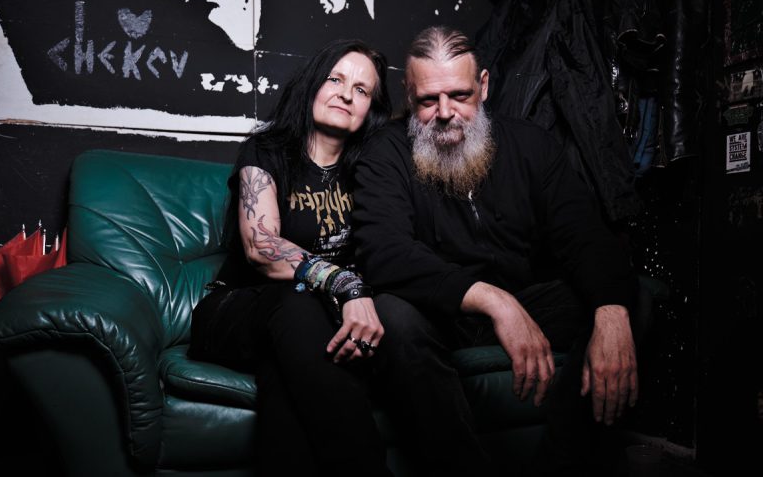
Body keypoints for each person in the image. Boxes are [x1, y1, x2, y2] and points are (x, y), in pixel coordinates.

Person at [353, 25, 641, 476]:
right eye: (428, 100)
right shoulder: (385, 152)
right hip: (441, 316)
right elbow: (384, 252)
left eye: (460, 95)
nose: (445, 113)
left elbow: (587, 236)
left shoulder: (532, 145)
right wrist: (492, 300)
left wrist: (611, 310)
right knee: (392, 315)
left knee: (624, 299)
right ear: (409, 94)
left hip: (528, 303)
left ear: (483, 86)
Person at [189, 39, 393, 477]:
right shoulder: (267, 151)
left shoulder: (372, 170)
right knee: (297, 301)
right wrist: (345, 283)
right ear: (312, 84)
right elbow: (261, 245)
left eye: (361, 90)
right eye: (335, 79)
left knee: (287, 374)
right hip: (235, 311)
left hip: (306, 329)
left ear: (370, 109)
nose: (345, 94)